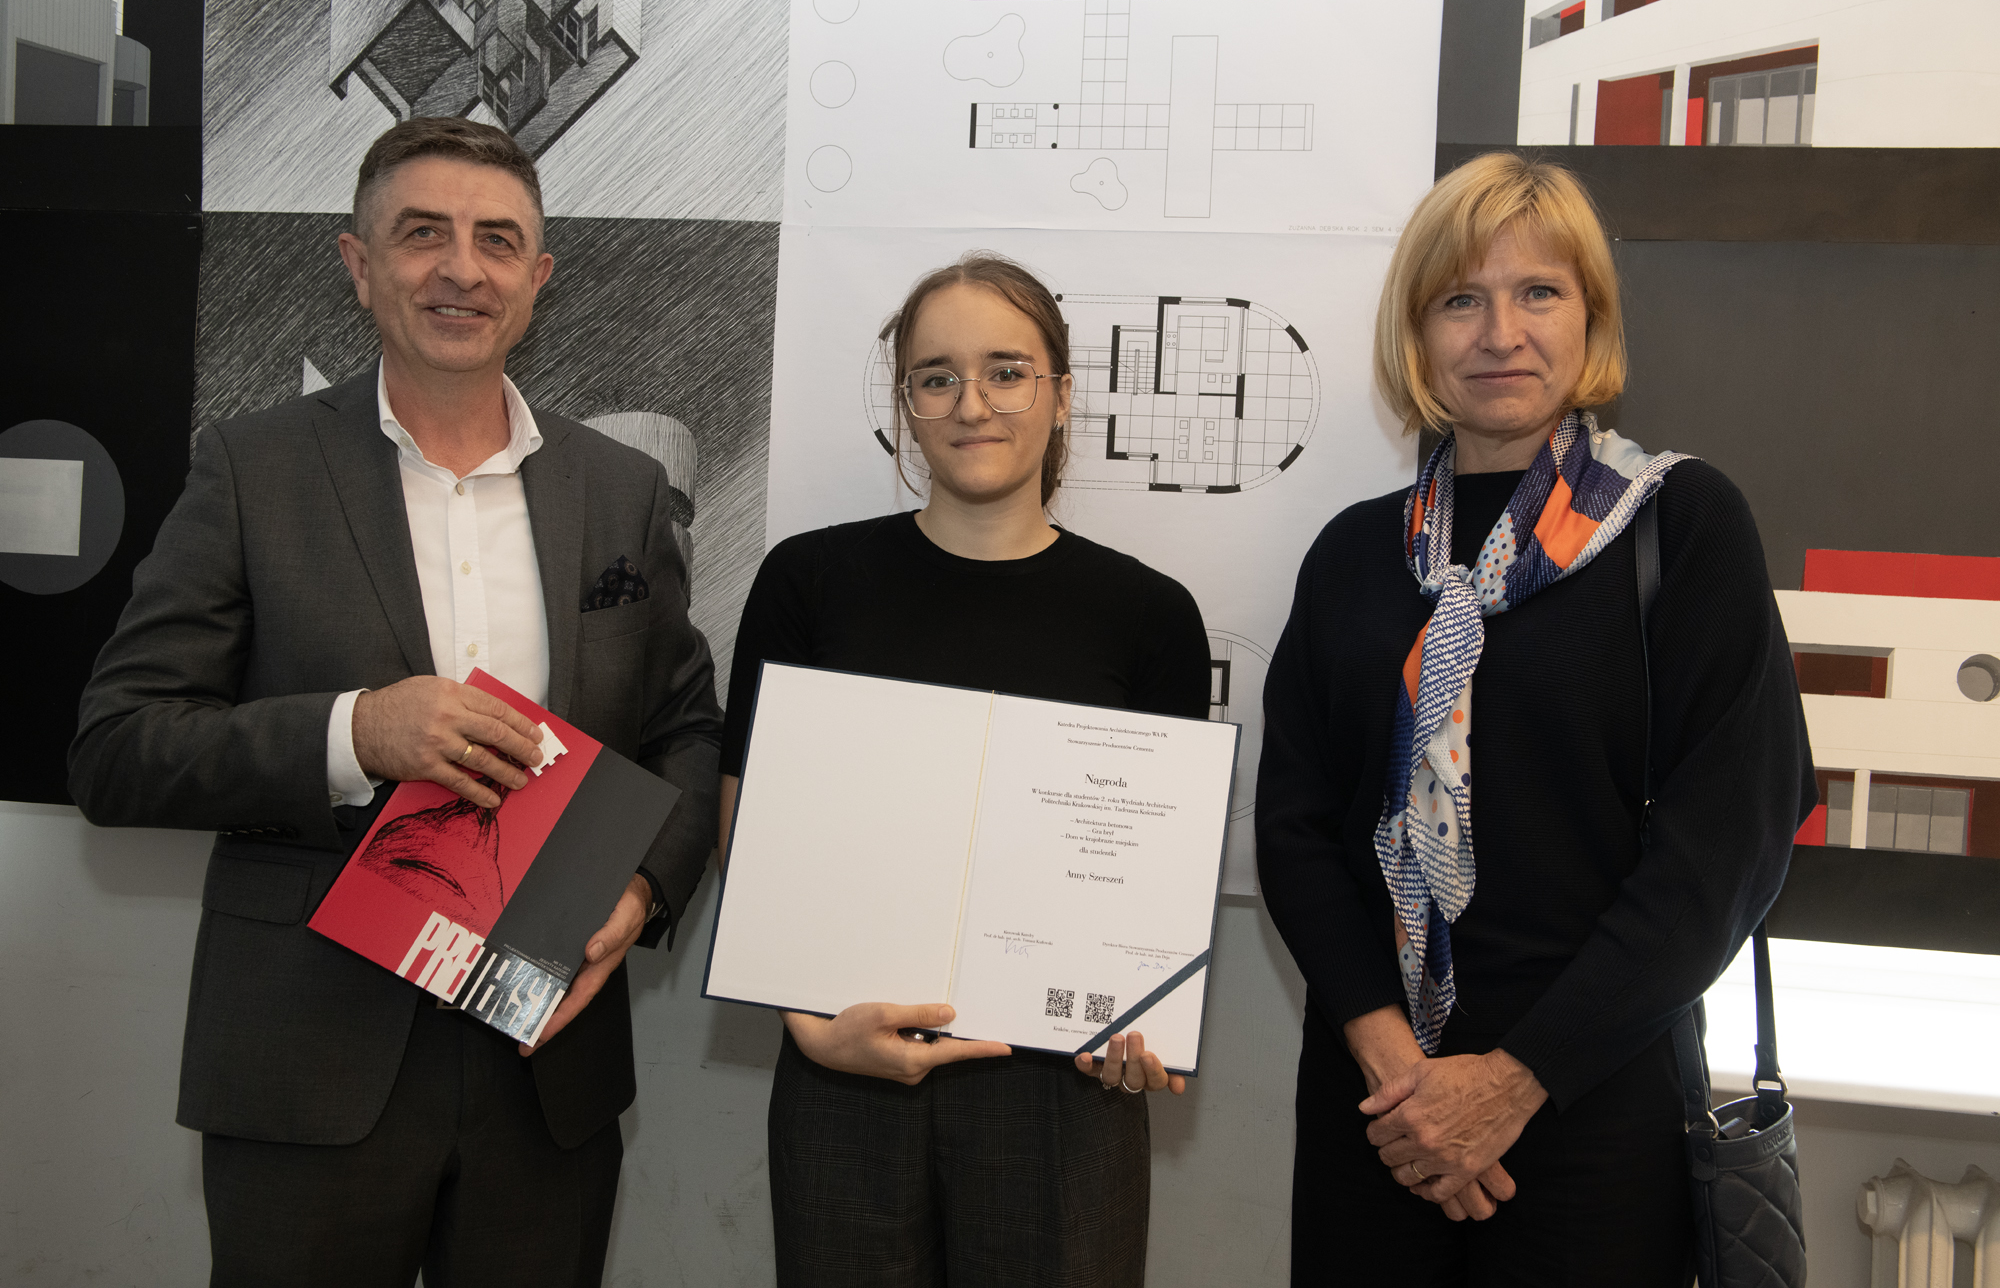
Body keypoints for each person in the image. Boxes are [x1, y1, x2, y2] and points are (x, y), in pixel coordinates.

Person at [67, 117, 722, 1287]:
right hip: (307, 1057)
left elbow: (683, 730)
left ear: (537, 277)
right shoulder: (249, 467)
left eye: (496, 240)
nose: (461, 268)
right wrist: (355, 732)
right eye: (422, 234)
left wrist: (640, 888)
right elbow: (117, 749)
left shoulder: (619, 488)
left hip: (545, 1059)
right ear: (358, 264)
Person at [1256, 153, 1814, 1284]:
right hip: (1378, 1112)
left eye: (1538, 292)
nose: (1499, 332)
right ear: (1416, 336)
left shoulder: (1679, 526)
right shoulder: (1354, 554)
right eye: (1460, 299)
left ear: (1589, 317)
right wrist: (1399, 1072)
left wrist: (1510, 1083)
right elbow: (1294, 826)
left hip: (1593, 1106)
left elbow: (1726, 846)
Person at [717, 253, 1211, 1286]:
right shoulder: (810, 581)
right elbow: (748, 828)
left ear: (1062, 395)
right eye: (936, 376)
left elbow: (1156, 883)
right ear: (905, 404)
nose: (971, 404)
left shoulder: (1149, 614)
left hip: (1064, 1091)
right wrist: (808, 1026)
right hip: (844, 1064)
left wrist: (1143, 1014)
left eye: (1007, 371)